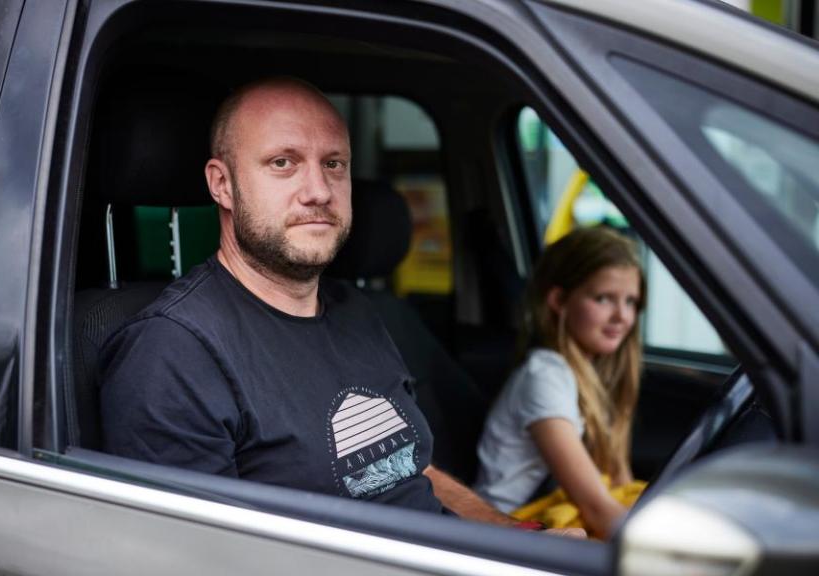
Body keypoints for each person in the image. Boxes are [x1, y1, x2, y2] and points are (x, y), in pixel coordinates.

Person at [99, 77, 578, 533]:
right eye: (283, 163)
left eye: (334, 164)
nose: (319, 191)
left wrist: (516, 536)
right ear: (221, 184)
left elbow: (410, 469)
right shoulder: (173, 353)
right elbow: (193, 559)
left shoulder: (356, 310)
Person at [474, 226, 646, 539]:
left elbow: (620, 483)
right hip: (509, 528)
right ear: (559, 300)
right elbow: (596, 507)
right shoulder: (545, 376)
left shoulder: (594, 373)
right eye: (603, 298)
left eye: (631, 302)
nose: (622, 316)